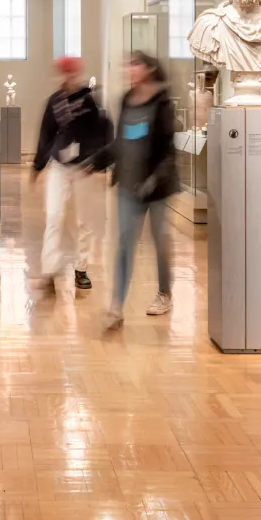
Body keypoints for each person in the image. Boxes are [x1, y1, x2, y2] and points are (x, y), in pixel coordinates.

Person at [85, 51, 179, 329]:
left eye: (135, 64)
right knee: (125, 244)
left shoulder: (162, 103)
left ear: (148, 69)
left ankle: (164, 293)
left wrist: (153, 180)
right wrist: (96, 161)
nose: (129, 69)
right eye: (128, 65)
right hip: (128, 186)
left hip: (156, 188)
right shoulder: (126, 100)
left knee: (159, 241)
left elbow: (168, 152)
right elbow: (121, 143)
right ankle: (117, 306)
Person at [31, 55, 110, 291]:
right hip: (58, 165)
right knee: (54, 216)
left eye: (72, 72)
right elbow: (46, 135)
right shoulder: (54, 102)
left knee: (83, 220)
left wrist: (98, 165)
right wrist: (37, 167)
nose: (69, 77)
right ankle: (49, 270)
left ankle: (81, 268)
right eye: (65, 72)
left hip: (83, 167)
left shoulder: (88, 100)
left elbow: (99, 133)